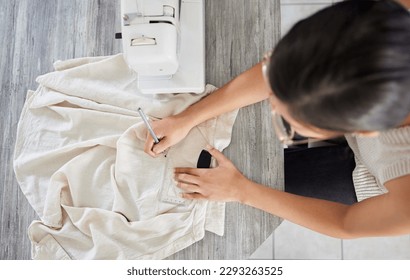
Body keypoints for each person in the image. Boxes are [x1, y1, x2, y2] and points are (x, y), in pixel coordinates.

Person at [144, 0, 410, 239]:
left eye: (289, 123)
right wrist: (189, 117)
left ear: (365, 131)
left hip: (376, 180)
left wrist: (241, 191)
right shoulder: (389, 17)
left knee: (274, 182)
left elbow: (346, 223)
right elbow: (286, 68)